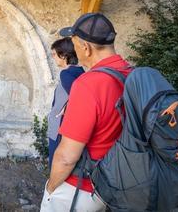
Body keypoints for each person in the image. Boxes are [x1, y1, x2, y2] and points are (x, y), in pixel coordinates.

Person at [41, 13, 132, 211]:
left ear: (86, 47)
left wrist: (51, 188)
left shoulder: (88, 85)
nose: (73, 49)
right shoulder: (130, 74)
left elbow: (66, 157)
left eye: (73, 43)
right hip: (115, 182)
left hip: (82, 188)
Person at [47, 38, 84, 170]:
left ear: (63, 55)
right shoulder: (80, 71)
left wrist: (67, 107)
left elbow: (80, 100)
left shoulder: (66, 74)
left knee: (56, 165)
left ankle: (53, 189)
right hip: (66, 128)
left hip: (60, 128)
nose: (54, 58)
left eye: (54, 54)